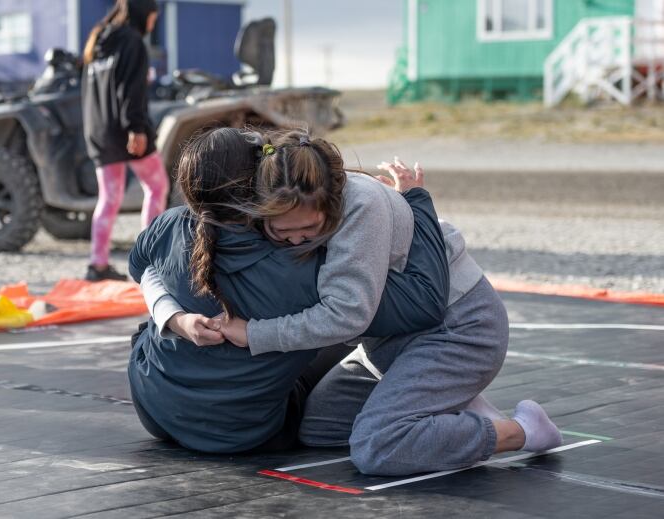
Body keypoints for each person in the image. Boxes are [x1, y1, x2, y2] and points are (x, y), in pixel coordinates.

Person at [147, 130, 563, 476]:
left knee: (376, 447)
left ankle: (520, 431)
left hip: (458, 329)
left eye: (308, 230)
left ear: (329, 209)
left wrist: (253, 334)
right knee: (319, 427)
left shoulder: (358, 207)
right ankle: (445, 402)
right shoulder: (270, 202)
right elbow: (150, 263)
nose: (295, 240)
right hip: (388, 340)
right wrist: (175, 316)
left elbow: (348, 314)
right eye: (282, 232)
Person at [127, 127, 451, 453]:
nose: (297, 237)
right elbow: (424, 304)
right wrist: (416, 202)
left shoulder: (168, 225)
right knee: (347, 329)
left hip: (151, 407)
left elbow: (140, 268)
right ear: (261, 183)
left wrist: (173, 318)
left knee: (146, 334)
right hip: (242, 434)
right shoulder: (306, 269)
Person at [82, 0, 169, 281]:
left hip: (100, 130)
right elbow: (129, 89)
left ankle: (97, 265)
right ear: (145, 14)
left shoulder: (98, 42)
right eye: (154, 19)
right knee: (158, 186)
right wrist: (136, 128)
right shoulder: (132, 42)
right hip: (128, 131)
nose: (153, 25)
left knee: (109, 199)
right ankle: (150, 260)